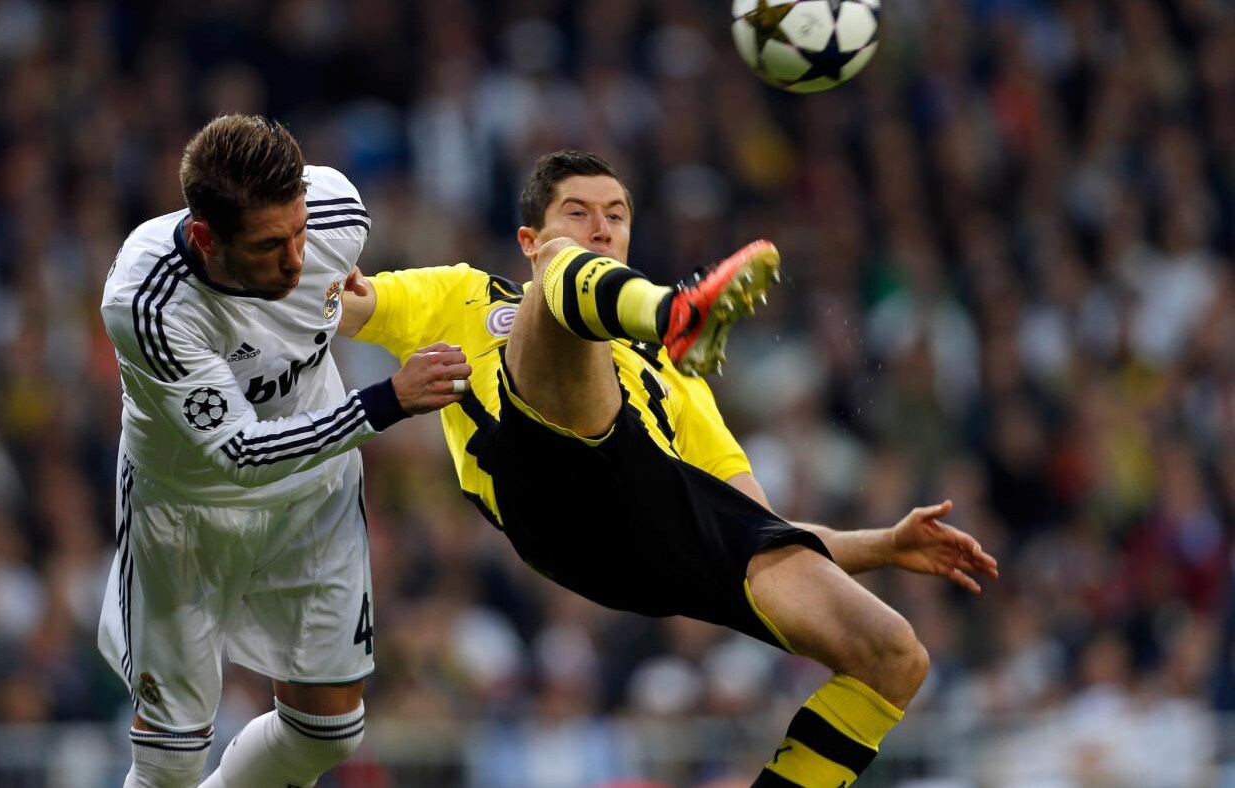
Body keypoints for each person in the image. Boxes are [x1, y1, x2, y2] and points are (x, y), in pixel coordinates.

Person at [339, 150, 998, 788]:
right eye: (577, 211)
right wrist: (305, 275)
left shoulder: (681, 385)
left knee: (893, 654)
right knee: (564, 296)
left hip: (652, 531)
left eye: (617, 215)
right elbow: (350, 306)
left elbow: (757, 534)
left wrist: (885, 544)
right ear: (527, 239)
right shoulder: (462, 294)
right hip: (541, 484)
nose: (602, 227)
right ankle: (670, 310)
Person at [96, 114, 470, 788]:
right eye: (272, 246)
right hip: (188, 513)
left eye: (300, 232)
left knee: (327, 731)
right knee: (171, 761)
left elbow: (332, 284)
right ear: (208, 238)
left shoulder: (339, 210)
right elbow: (238, 451)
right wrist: (387, 400)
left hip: (313, 494)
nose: (297, 261)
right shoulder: (149, 303)